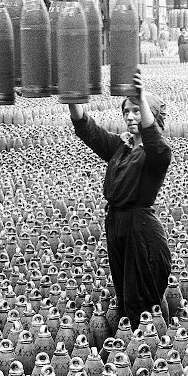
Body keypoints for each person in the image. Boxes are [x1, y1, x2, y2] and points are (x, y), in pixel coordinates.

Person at [68, 69, 173, 329]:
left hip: (141, 231)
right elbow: (88, 129)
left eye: (136, 110)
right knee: (126, 299)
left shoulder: (157, 154)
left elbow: (154, 140)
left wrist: (141, 96)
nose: (130, 116)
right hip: (117, 225)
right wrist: (71, 95)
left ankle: (148, 351)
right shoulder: (120, 148)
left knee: (141, 303)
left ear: (151, 114)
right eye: (126, 111)